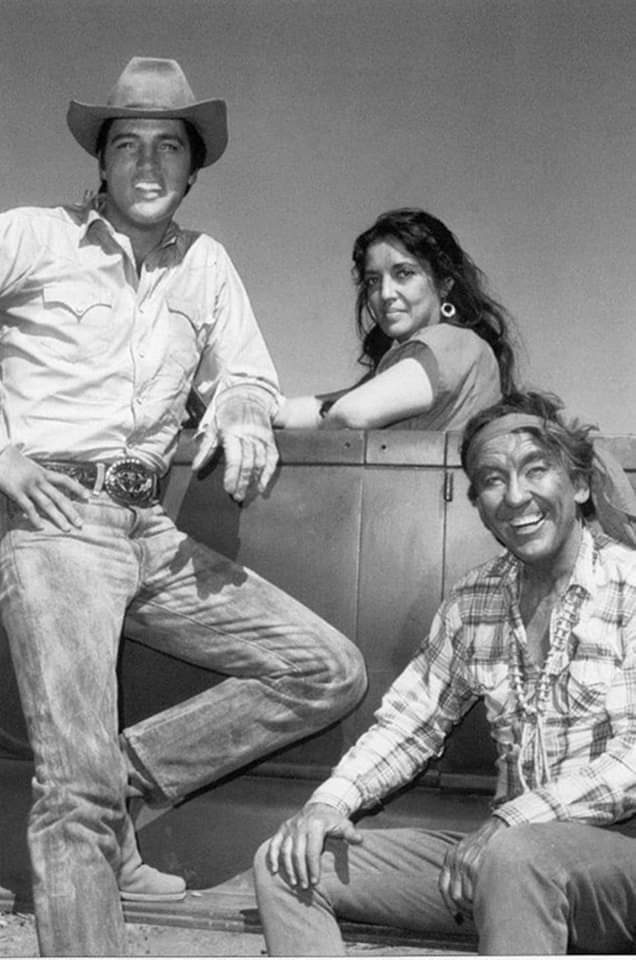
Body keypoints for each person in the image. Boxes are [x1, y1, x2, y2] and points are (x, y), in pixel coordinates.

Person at [0, 57, 367, 956]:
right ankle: (96, 803)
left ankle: (124, 782)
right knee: (72, 794)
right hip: (55, 525)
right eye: (129, 143)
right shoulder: (33, 236)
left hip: (151, 531)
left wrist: (239, 409)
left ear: (193, 168)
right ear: (101, 160)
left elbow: (248, 375)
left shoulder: (207, 264)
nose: (149, 162)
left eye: (169, 145)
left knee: (326, 670)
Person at [254, 389, 636, 955]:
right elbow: (410, 723)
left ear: (578, 485)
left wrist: (513, 823)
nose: (516, 496)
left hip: (615, 862)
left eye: (536, 470)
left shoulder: (630, 586)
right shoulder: (474, 600)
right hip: (512, 869)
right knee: (288, 863)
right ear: (478, 504)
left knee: (516, 857)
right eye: (492, 480)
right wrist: (328, 804)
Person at [274, 208, 517, 431]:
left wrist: (328, 422)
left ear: (444, 284)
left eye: (404, 274)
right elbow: (298, 412)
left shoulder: (454, 342)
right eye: (373, 280)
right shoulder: (407, 364)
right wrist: (256, 404)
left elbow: (352, 413)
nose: (385, 294)